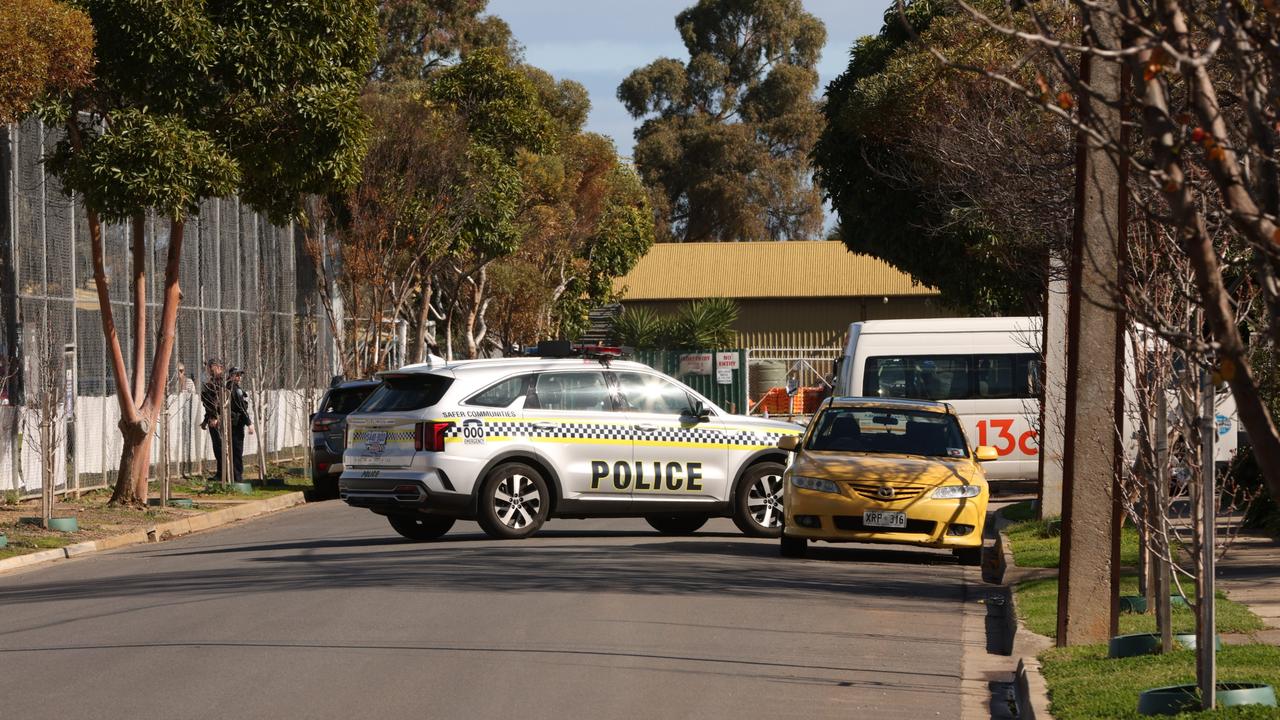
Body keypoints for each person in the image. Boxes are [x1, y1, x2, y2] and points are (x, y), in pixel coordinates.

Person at [200, 358, 228, 482]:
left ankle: (223, 474)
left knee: (220, 446)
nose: (209, 369)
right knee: (217, 447)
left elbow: (217, 402)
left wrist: (215, 417)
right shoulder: (212, 382)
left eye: (211, 367)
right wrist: (206, 419)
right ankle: (221, 473)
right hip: (213, 417)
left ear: (218, 367)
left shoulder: (219, 382)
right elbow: (209, 404)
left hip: (218, 419)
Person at [226, 367, 255, 482]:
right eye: (236, 375)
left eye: (240, 375)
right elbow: (241, 408)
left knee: (233, 452)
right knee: (237, 452)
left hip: (231, 423)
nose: (239, 377)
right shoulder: (234, 389)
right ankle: (237, 478)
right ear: (231, 376)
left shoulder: (228, 387)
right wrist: (249, 423)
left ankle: (233, 477)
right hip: (235, 424)